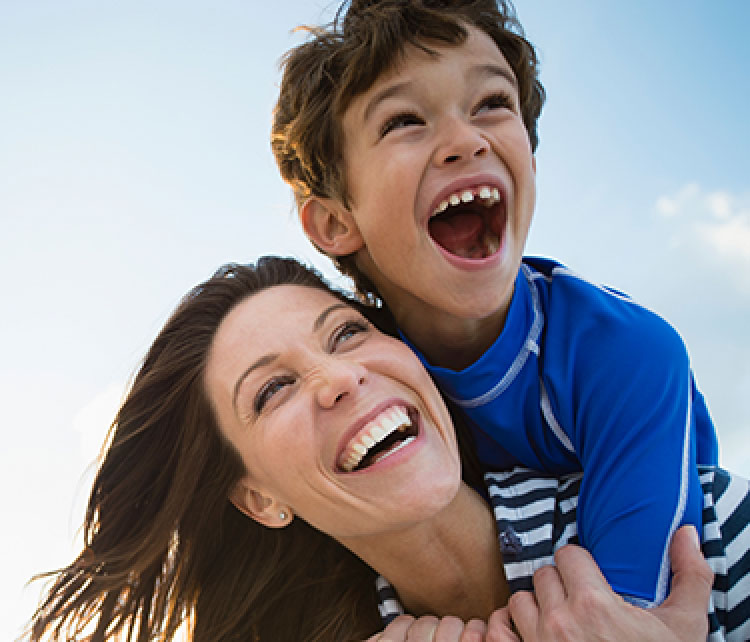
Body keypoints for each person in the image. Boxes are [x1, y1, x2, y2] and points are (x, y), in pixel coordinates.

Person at [26, 257, 748, 641]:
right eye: (272, 390)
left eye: (345, 333)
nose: (340, 377)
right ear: (259, 499)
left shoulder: (707, 531)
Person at [271, 0, 719, 607]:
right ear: (333, 221)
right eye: (404, 120)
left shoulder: (627, 354)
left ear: (529, 159)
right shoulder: (359, 386)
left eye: (491, 104)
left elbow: (626, 617)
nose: (466, 140)